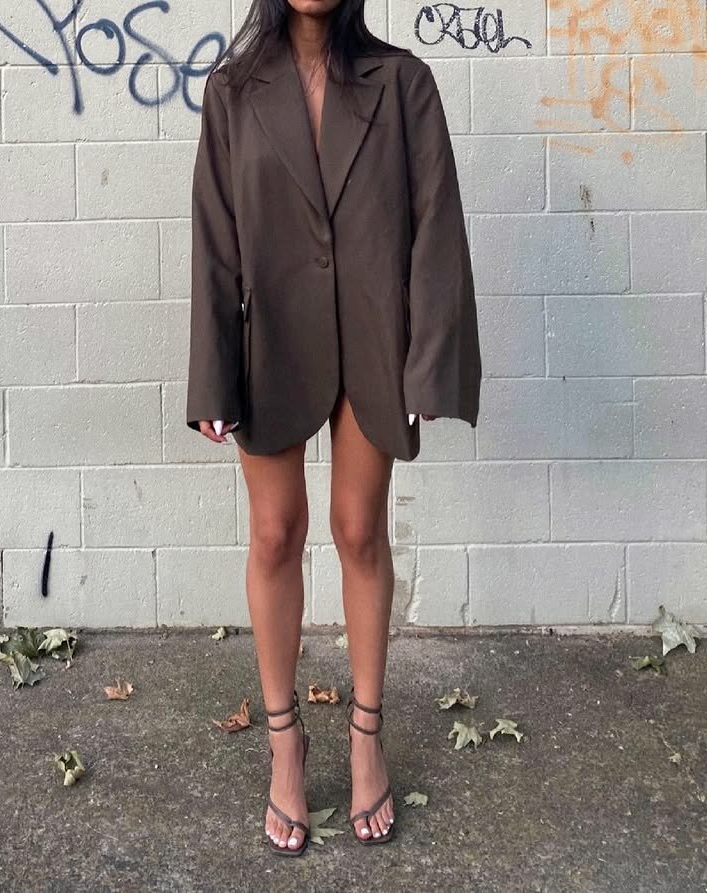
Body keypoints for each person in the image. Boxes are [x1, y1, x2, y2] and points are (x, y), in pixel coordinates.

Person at [185, 0, 481, 856]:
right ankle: (286, 743)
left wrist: (428, 364)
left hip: (372, 340)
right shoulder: (233, 90)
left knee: (359, 528)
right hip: (272, 339)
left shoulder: (404, 84)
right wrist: (213, 373)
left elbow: (437, 228)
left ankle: (365, 735)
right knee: (275, 533)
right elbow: (214, 239)